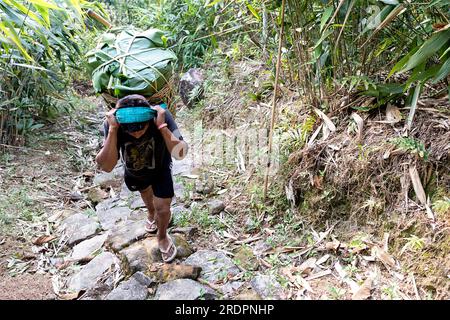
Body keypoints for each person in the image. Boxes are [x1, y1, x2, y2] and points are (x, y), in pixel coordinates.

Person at [95, 94, 188, 263]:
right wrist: (113, 130)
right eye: (130, 129)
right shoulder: (112, 124)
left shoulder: (162, 116)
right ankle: (150, 213)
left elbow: (180, 153)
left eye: (141, 127)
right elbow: (106, 166)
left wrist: (162, 127)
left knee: (163, 207)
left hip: (160, 168)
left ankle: (162, 236)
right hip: (135, 171)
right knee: (145, 192)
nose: (136, 133)